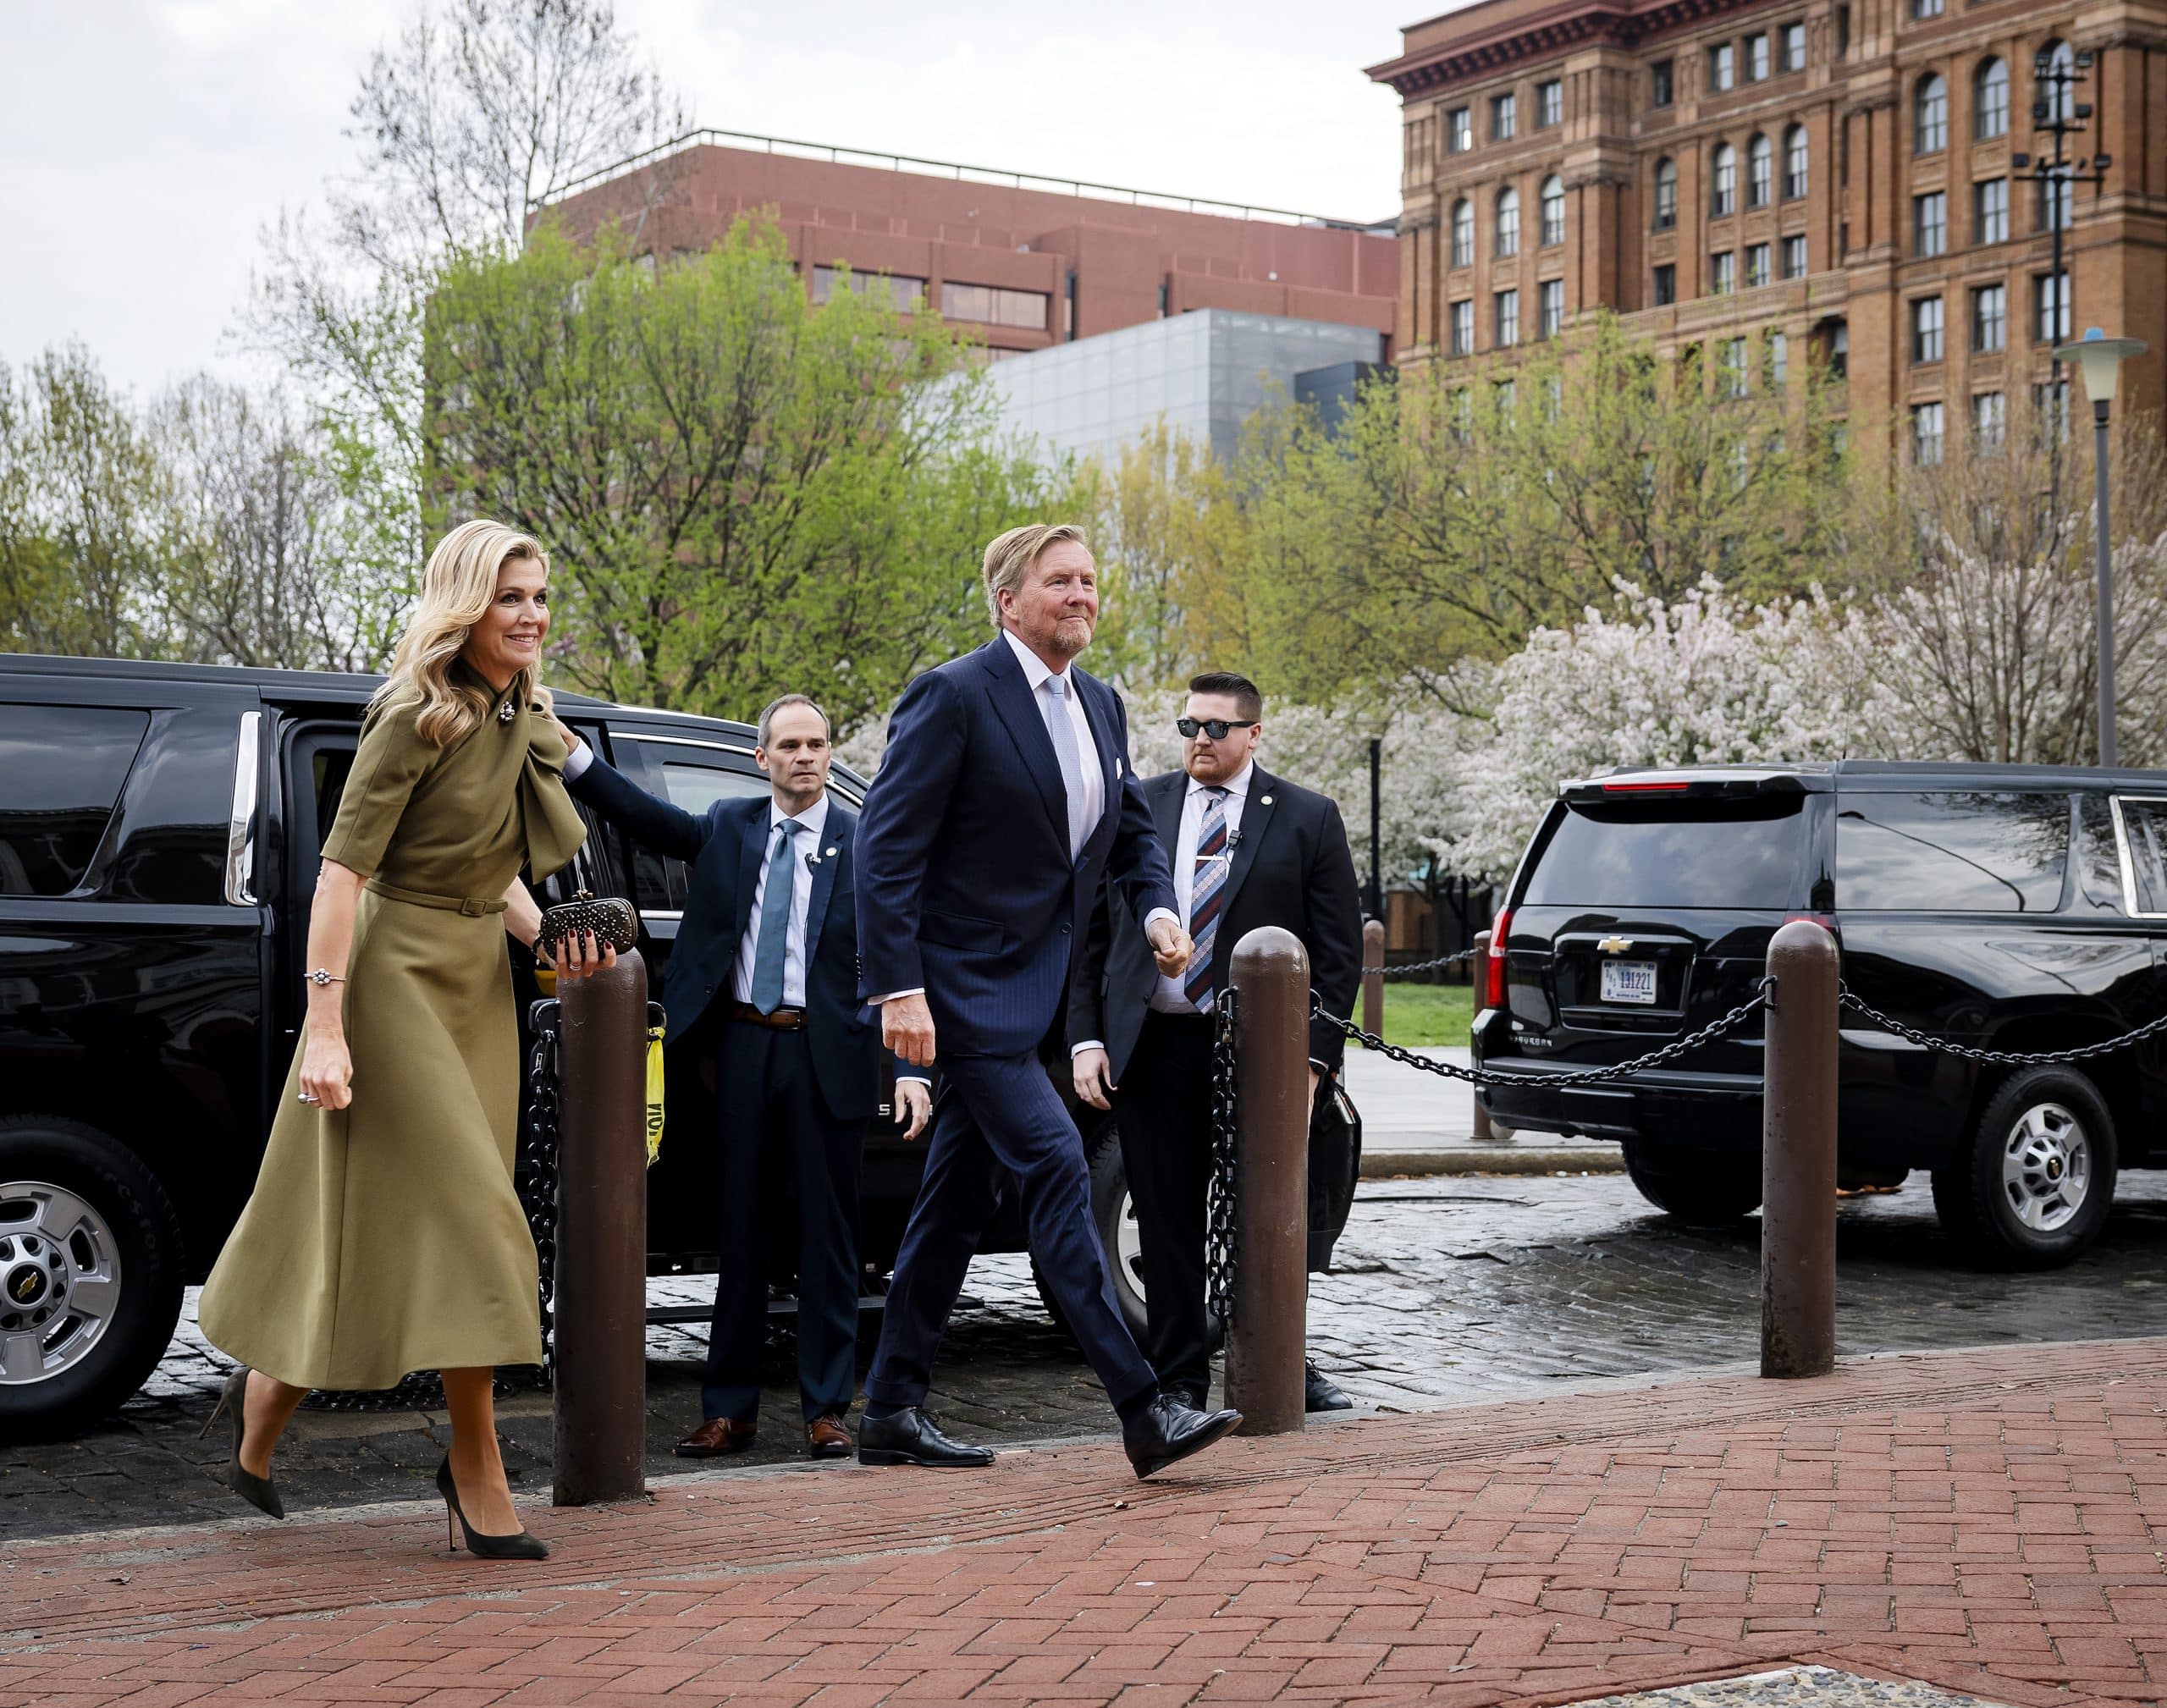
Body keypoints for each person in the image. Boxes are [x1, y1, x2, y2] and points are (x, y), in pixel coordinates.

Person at [197, 519, 613, 1561]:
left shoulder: (521, 710)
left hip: (478, 982)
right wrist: (326, 1025)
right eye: (511, 596)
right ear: (464, 603)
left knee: (369, 1223)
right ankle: (474, 1464)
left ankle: (259, 1410)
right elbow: (341, 876)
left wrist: (546, 937)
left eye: (541, 596)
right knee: (479, 1219)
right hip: (389, 983)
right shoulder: (409, 715)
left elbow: (491, 870)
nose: (532, 615)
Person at [853, 521, 1243, 1480]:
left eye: (1088, 580)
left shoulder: (1101, 705)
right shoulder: (952, 695)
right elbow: (885, 853)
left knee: (950, 1206)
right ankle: (1142, 1406)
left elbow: (1124, 840)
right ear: (1008, 600)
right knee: (1061, 1168)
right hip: (965, 998)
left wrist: (1155, 907)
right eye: (1059, 580)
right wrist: (899, 991)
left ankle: (890, 1407)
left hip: (1036, 993)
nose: (1080, 595)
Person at [551, 695, 932, 1463]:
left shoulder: (865, 843)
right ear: (762, 759)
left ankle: (827, 1411)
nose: (805, 756)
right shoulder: (731, 824)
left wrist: (909, 1067)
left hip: (828, 1056)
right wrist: (573, 758)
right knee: (742, 1233)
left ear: (829, 755)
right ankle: (729, 1412)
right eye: (789, 745)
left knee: (831, 1240)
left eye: (817, 744)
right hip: (740, 1052)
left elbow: (900, 956)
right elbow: (651, 820)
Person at [1070, 671, 1363, 1415]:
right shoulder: (1144, 805)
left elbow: (1336, 956)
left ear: (1253, 734)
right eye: (1189, 726)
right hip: (1154, 1044)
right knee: (1165, 1220)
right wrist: (1088, 1038)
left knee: (1269, 1210)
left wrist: (1315, 1065)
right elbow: (1094, 933)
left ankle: (1282, 1362)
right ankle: (1178, 1381)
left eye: (1216, 728)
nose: (1199, 739)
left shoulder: (1307, 818)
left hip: (1259, 1059)